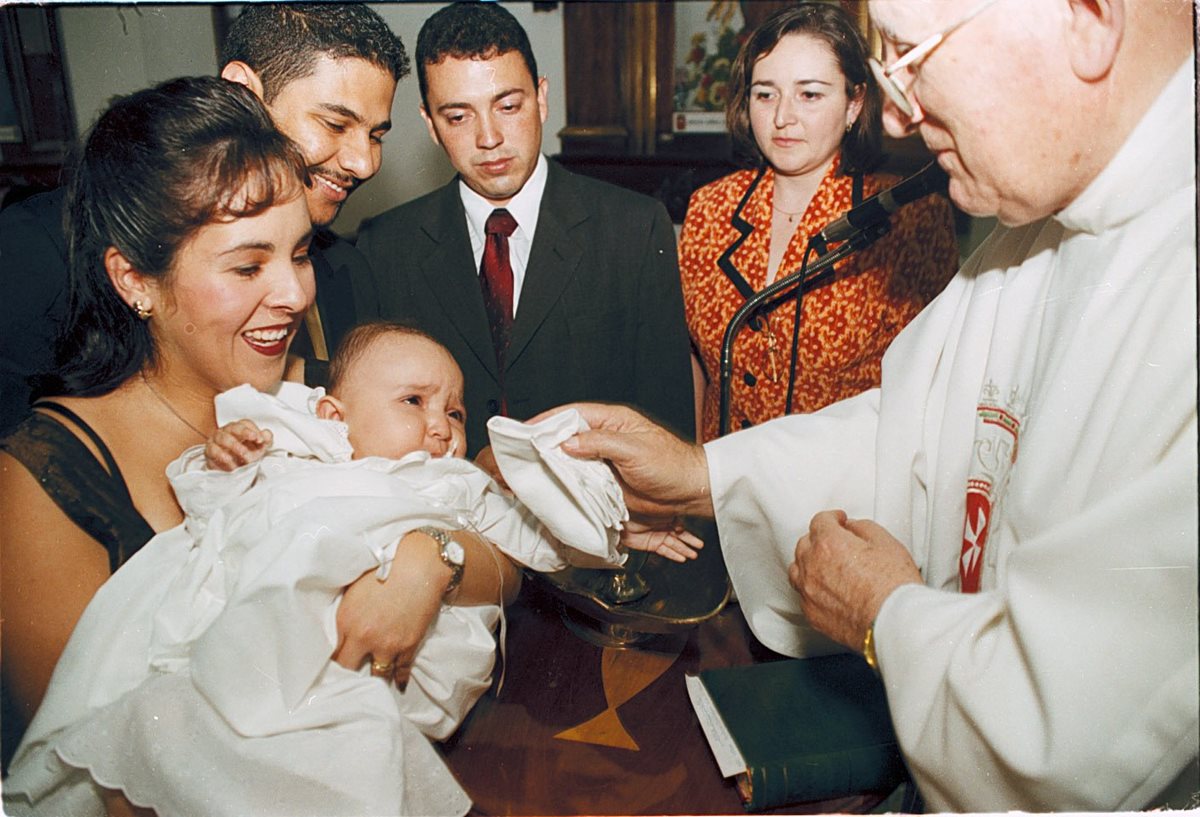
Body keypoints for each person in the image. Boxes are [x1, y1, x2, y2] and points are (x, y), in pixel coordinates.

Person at [542, 0, 1198, 810]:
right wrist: (697, 470)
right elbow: (911, 427)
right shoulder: (1035, 231)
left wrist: (886, 614)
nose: (898, 111)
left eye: (912, 55)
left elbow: (1073, 729)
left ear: (1087, 19)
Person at [0, 77, 511, 784]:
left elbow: (504, 560)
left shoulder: (327, 396)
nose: (296, 293)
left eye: (299, 254)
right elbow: (91, 768)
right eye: (247, 265)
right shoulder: (45, 478)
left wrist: (430, 558)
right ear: (134, 279)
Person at [6, 322, 695, 817]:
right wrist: (224, 454)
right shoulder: (303, 441)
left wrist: (608, 527)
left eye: (454, 410)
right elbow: (208, 504)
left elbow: (530, 536)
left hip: (373, 670)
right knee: (175, 726)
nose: (441, 425)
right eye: (414, 401)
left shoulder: (452, 481)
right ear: (336, 413)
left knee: (352, 746)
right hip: (255, 629)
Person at [0, 3, 407, 434]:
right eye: (335, 124)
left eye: (376, 135)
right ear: (243, 91)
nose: (364, 163)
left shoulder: (347, 270)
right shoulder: (36, 249)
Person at [356, 0, 695, 461]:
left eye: (508, 106)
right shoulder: (386, 246)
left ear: (541, 97)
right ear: (430, 125)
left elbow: (665, 430)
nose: (489, 137)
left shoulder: (633, 229)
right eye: (458, 117)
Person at [679, 3, 958, 442]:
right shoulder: (710, 208)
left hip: (841, 494)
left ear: (854, 103)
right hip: (717, 490)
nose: (782, 117)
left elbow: (931, 387)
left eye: (809, 94)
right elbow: (692, 359)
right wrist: (689, 475)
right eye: (765, 93)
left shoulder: (906, 218)